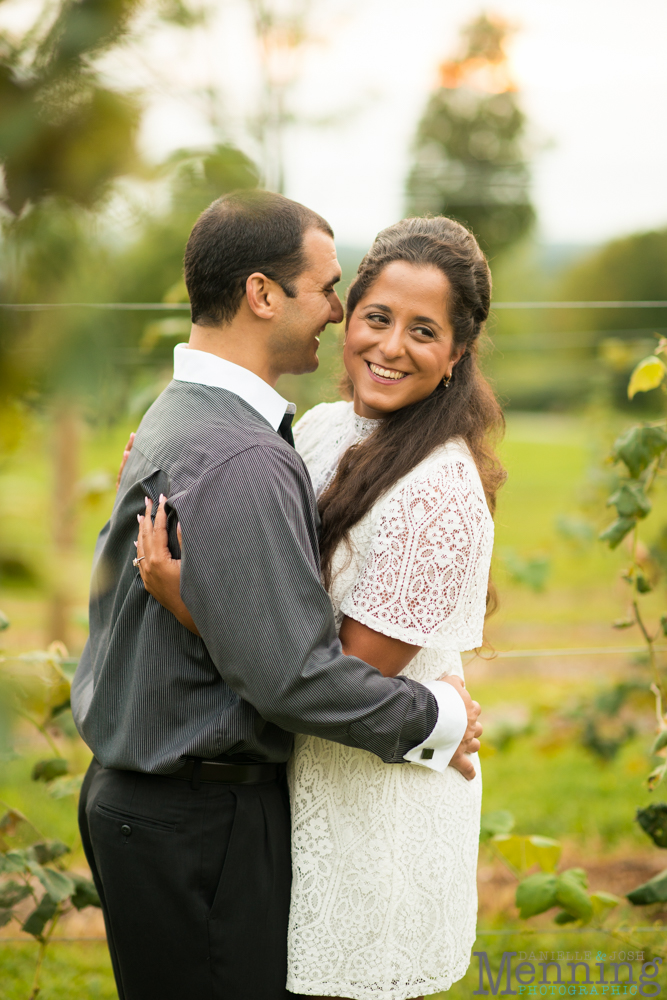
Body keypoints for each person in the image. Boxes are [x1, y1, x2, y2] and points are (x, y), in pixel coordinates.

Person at [71, 191, 482, 1000]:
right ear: (263, 294)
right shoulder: (271, 442)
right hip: (196, 816)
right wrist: (441, 717)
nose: (339, 318)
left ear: (458, 351)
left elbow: (296, 662)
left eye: (424, 330)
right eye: (345, 298)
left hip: (275, 801)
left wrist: (197, 598)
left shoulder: (197, 419)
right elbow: (294, 676)